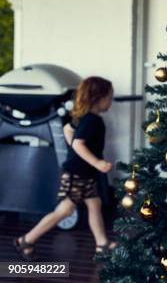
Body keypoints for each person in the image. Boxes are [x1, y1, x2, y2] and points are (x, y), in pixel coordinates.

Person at [14, 76, 116, 260]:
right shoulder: (92, 120)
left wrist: (79, 153)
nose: (111, 101)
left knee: (95, 204)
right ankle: (26, 240)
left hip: (84, 174)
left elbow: (68, 130)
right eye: (109, 97)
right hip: (77, 174)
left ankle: (102, 245)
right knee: (65, 211)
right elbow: (78, 144)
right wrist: (97, 163)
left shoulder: (82, 117)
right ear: (97, 98)